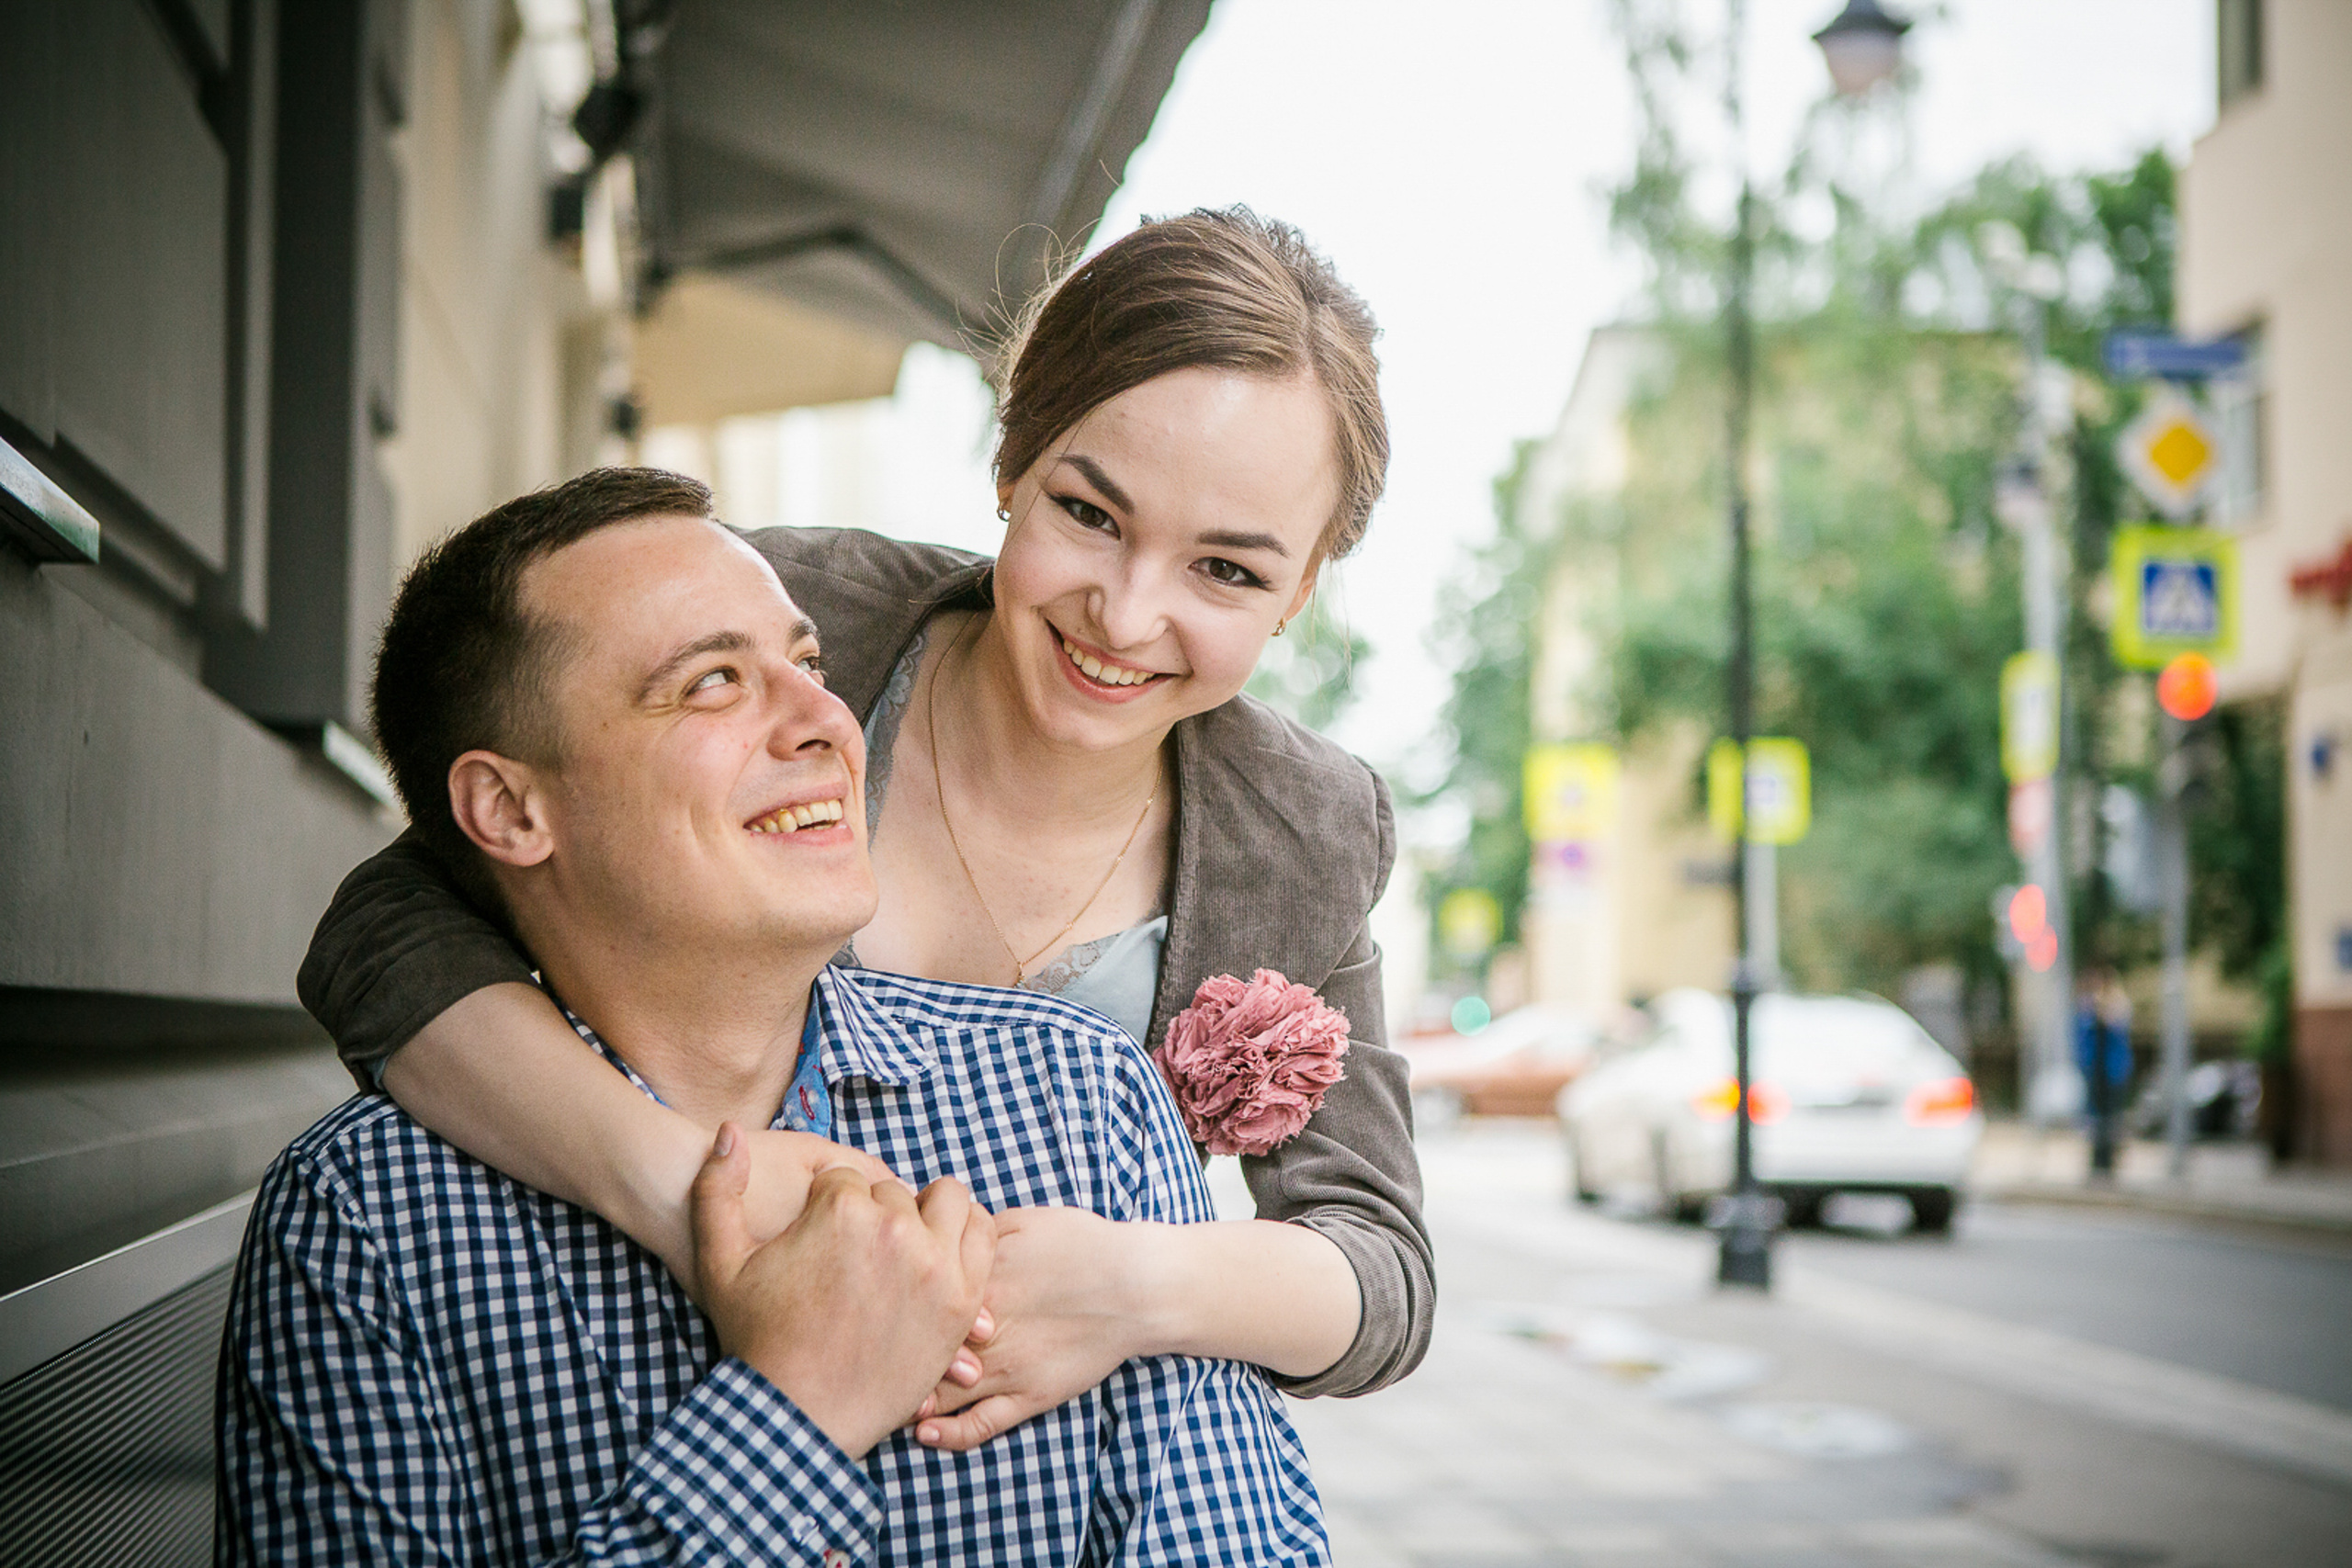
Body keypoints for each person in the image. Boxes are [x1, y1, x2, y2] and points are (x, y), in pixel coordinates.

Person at [298, 207, 1430, 1444]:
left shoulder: (1309, 831)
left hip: (1029, 1472)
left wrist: (1135, 1284)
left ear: (1300, 587)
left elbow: (1380, 1262)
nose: (1124, 614)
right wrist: (676, 1185)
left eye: (1228, 571)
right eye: (1090, 514)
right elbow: (381, 934)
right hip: (647, 1395)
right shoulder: (781, 625)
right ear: (1013, 462)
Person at [217, 470, 1329, 1564]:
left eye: (808, 665)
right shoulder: (365, 1217)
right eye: (710, 683)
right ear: (509, 809)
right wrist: (787, 1418)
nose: (827, 722)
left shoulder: (1078, 1103)